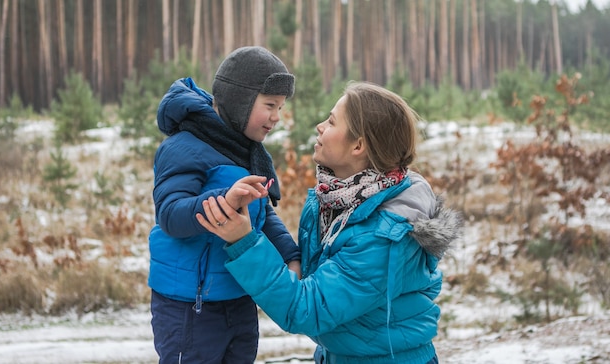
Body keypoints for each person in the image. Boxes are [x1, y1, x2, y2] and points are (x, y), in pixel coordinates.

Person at [196, 81, 463, 363]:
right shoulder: (339, 201)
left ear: (358, 145)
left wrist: (244, 242)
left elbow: (306, 309)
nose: (320, 126)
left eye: (332, 121)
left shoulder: (384, 238)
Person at [148, 46, 301, 364]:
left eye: (281, 107)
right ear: (239, 100)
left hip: (239, 296)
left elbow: (262, 214)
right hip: (190, 305)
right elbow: (170, 215)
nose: (276, 117)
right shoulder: (185, 147)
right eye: (270, 105)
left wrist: (290, 255)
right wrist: (223, 202)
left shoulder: (246, 151)